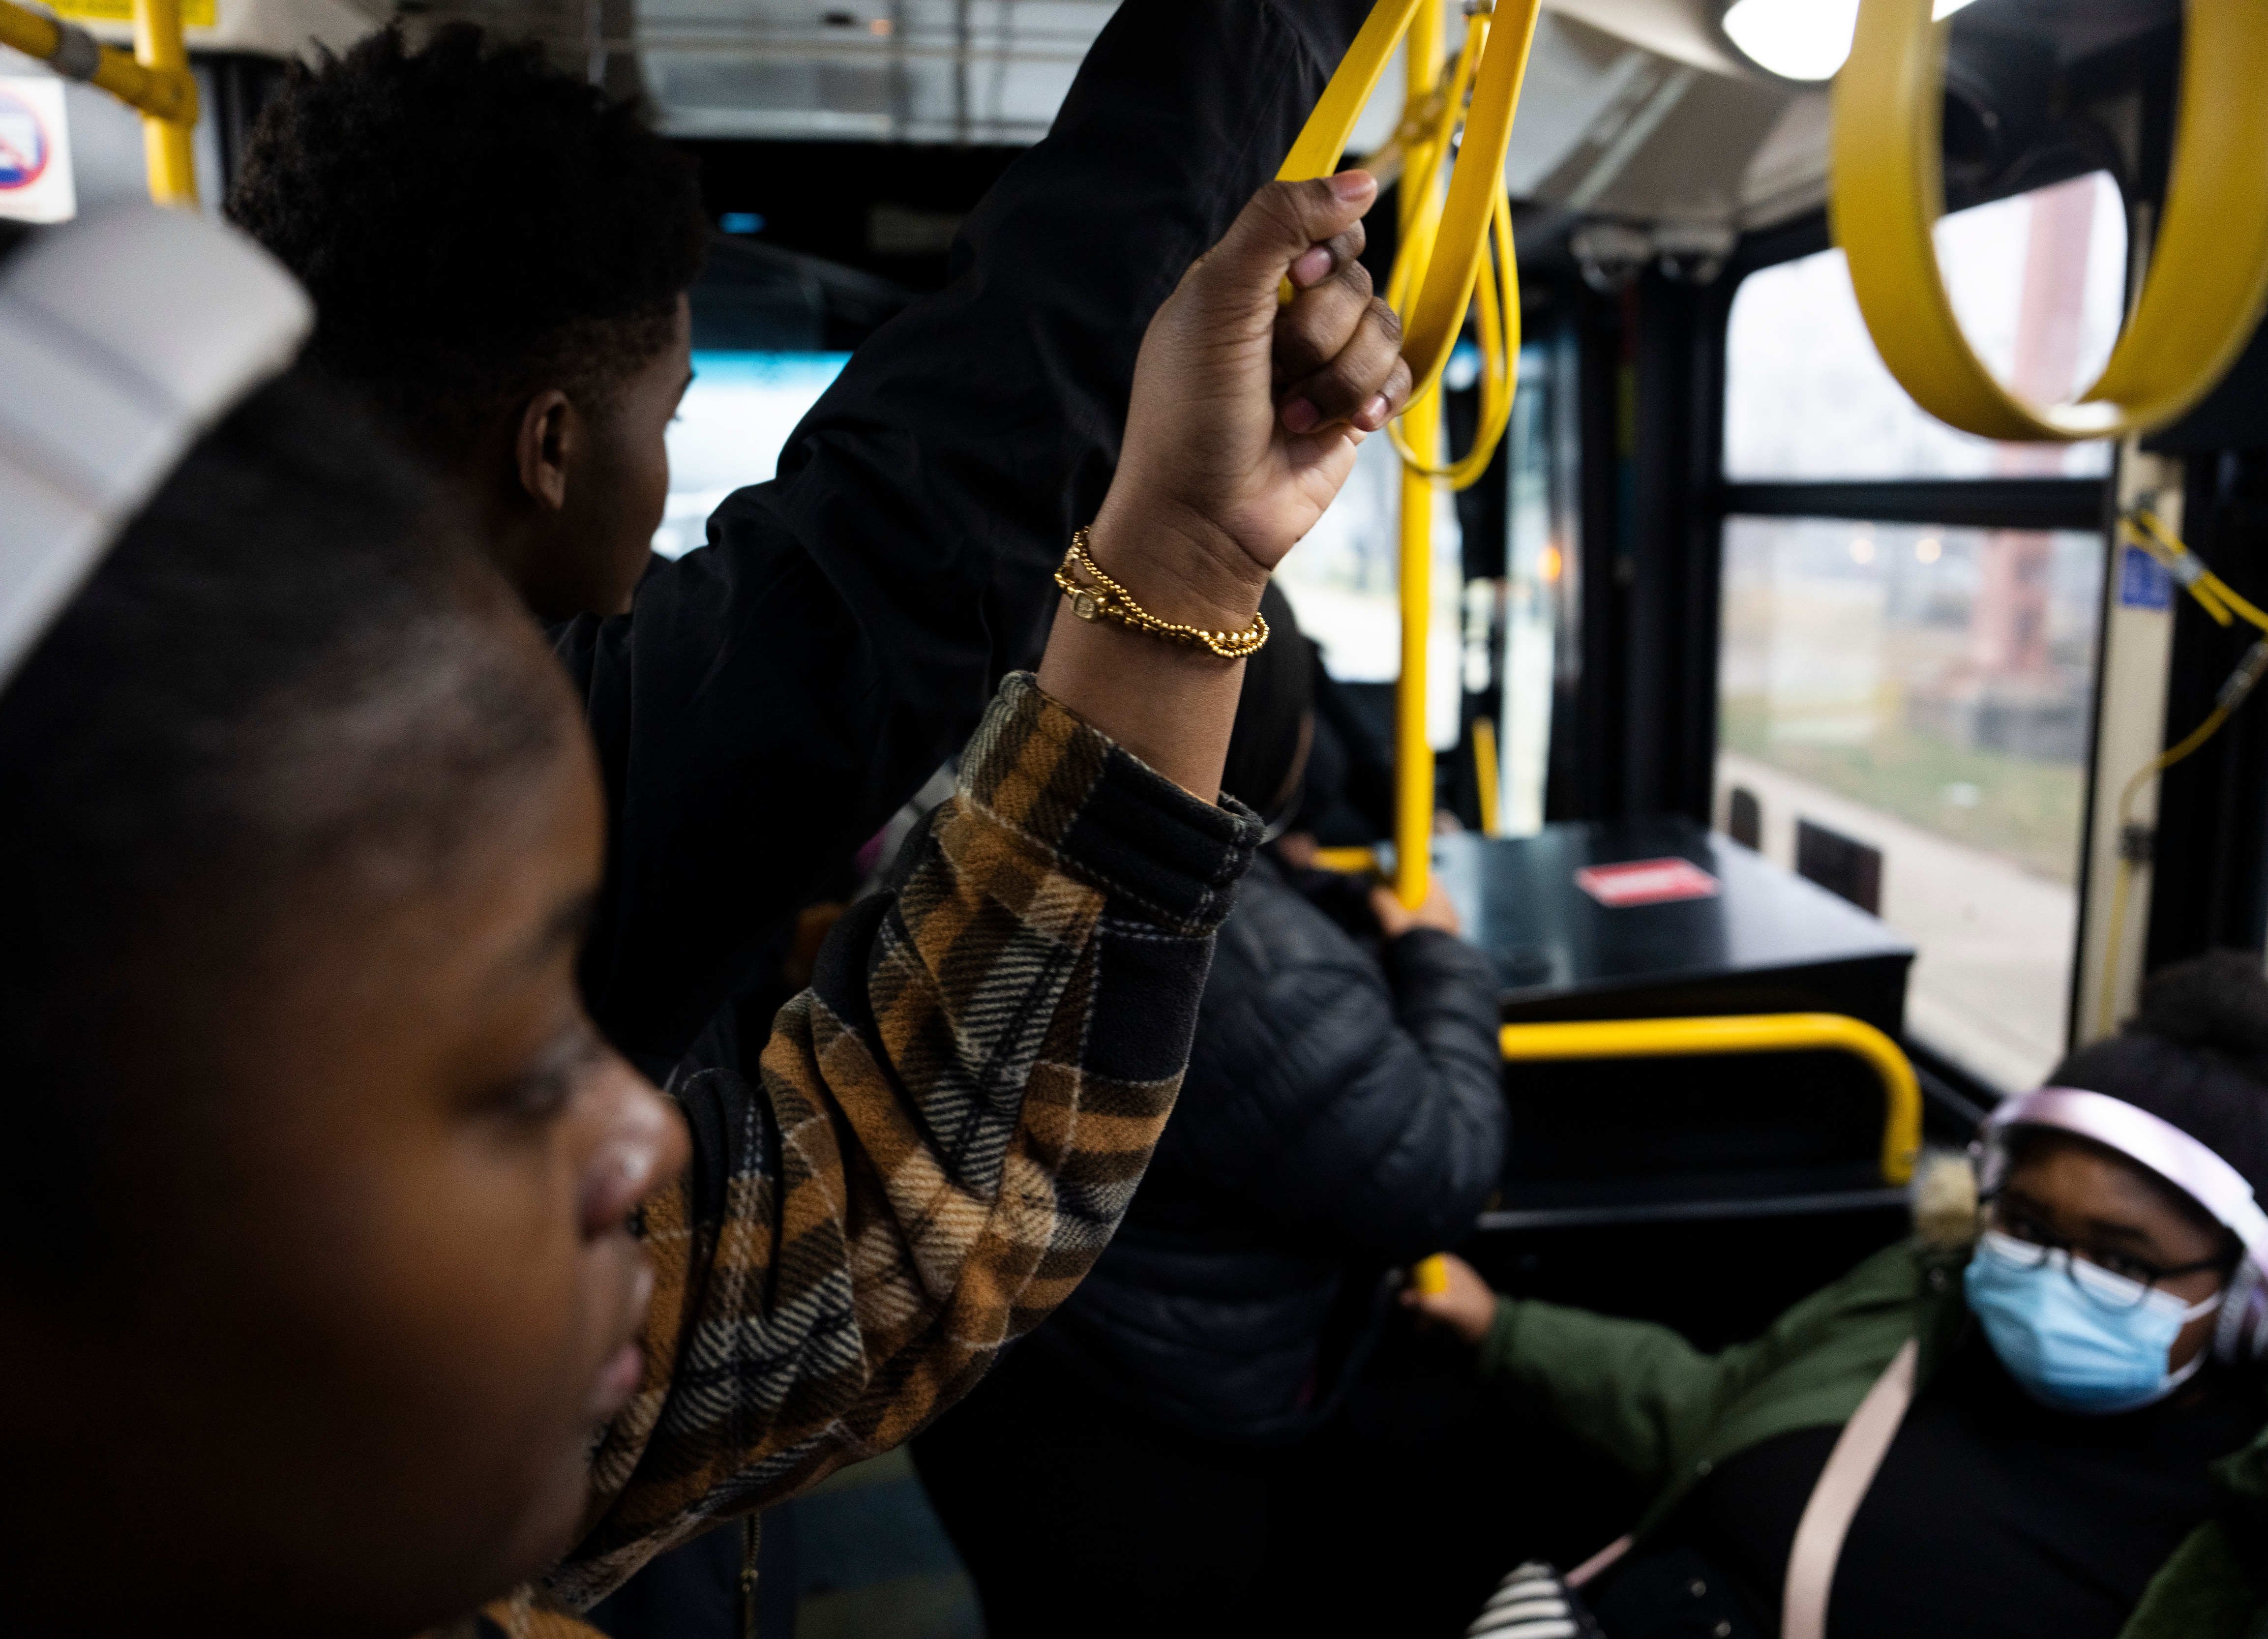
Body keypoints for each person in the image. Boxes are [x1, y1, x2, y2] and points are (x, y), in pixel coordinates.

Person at [0, 156, 1403, 1639]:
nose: (647, 1127)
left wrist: (1188, 549)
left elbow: (894, 1208)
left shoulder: (268, 1415)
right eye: (510, 1073)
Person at [224, 0, 1392, 1090]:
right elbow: (927, 520)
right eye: (669, 416)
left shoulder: (208, 696)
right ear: (552, 449)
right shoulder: (473, 766)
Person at [1410, 951, 2268, 1639]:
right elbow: (1713, 1402)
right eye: (2028, 1224)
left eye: (2123, 1258)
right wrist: (1503, 1324)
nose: (2049, 1271)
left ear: (2241, 1298)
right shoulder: (1917, 1305)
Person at [910, 582, 1509, 1638]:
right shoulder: (1254, 968)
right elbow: (1437, 1168)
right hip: (1143, 1428)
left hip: (1016, 1377)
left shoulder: (994, 851)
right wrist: (1441, 959)